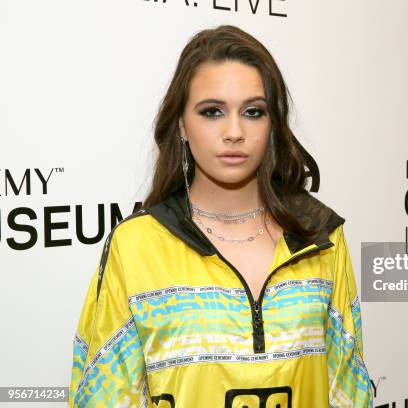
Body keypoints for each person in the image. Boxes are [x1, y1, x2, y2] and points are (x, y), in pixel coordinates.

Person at [68, 24, 374, 407]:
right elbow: (103, 397)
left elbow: (350, 393)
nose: (234, 131)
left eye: (253, 111)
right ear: (181, 123)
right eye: (212, 111)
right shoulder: (135, 247)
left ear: (272, 124)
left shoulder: (319, 238)